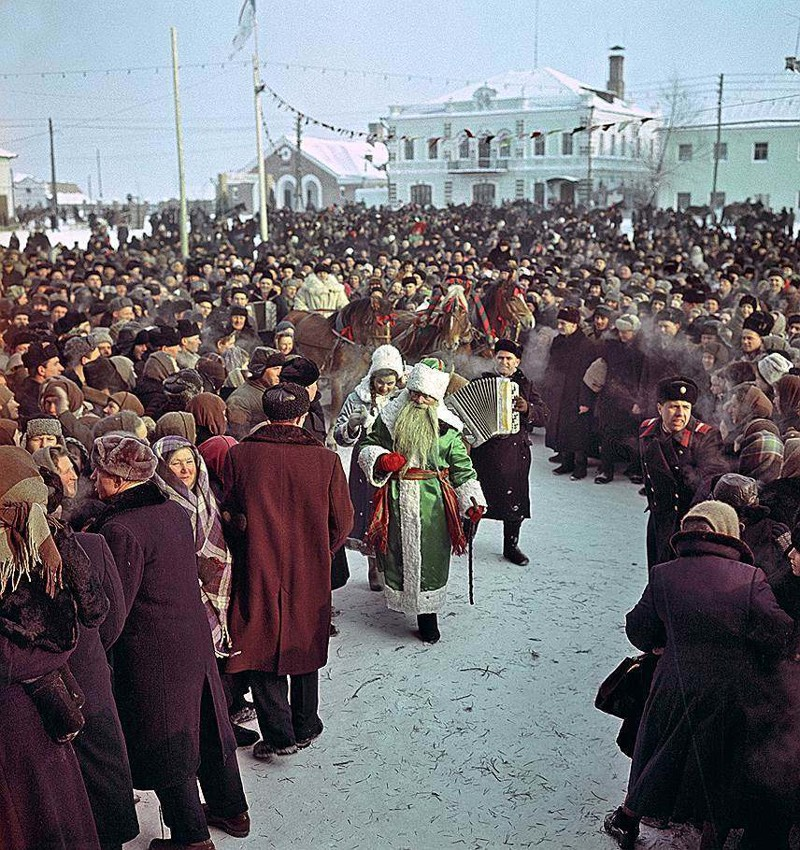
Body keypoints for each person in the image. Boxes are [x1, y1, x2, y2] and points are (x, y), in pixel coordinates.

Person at [88, 434, 249, 849]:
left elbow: (116, 605)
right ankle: (233, 809)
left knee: (168, 740)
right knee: (207, 726)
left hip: (154, 653)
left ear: (120, 479)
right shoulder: (172, 511)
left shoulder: (120, 528)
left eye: (101, 473)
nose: (94, 479)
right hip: (192, 638)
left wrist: (96, 649)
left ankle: (191, 838)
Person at [604, 501, 793, 850]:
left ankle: (627, 818)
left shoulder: (664, 573)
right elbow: (780, 631)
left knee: (657, 750)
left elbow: (639, 628)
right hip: (729, 688)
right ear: (728, 531)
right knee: (716, 763)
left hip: (672, 682)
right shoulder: (750, 578)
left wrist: (663, 643)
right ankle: (709, 836)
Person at [223, 383, 353, 759]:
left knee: (260, 640)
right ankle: (307, 723)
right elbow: (343, 523)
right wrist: (317, 550)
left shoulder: (241, 455)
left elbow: (231, 512)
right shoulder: (325, 460)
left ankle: (279, 735)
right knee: (305, 638)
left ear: (266, 414)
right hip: (308, 568)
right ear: (301, 415)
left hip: (256, 563)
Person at [358, 359, 486, 643]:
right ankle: (400, 600)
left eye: (425, 396)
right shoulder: (390, 420)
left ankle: (428, 616)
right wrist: (381, 459)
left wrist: (472, 500)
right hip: (395, 498)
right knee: (395, 552)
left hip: (434, 503)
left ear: (436, 398)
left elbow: (463, 469)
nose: (417, 400)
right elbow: (367, 446)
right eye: (414, 393)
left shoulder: (448, 430)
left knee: (431, 557)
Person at [469, 339, 548, 565]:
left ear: (517, 361)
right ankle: (466, 536)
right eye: (500, 358)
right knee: (476, 495)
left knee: (514, 501)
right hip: (484, 451)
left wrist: (528, 409)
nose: (504, 362)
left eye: (509, 359)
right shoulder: (481, 381)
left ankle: (511, 546)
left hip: (514, 452)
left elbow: (545, 415)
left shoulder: (527, 385)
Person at [334, 344, 404, 589]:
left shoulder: (403, 398)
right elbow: (339, 435)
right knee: (369, 509)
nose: (384, 388)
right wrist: (351, 426)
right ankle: (373, 564)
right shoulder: (357, 397)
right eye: (380, 382)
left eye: (390, 383)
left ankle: (390, 563)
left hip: (394, 462)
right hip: (366, 464)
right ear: (372, 377)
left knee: (392, 511)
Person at [639, 376, 727, 569]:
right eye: (673, 406)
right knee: (656, 572)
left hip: (688, 522)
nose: (680, 413)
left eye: (686, 407)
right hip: (659, 517)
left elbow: (708, 483)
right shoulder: (647, 430)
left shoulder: (705, 437)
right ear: (659, 408)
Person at [543, 306, 597, 480]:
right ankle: (566, 462)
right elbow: (551, 366)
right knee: (562, 428)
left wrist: (585, 400)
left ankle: (580, 467)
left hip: (577, 394)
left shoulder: (586, 345)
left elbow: (588, 376)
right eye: (559, 322)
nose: (560, 326)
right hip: (559, 392)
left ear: (574, 324)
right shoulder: (558, 341)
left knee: (578, 433)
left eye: (563, 323)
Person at [225, 347, 284, 439]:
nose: (280, 373)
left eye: (281, 368)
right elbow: (239, 438)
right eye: (275, 368)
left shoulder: (274, 393)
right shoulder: (239, 400)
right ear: (260, 369)